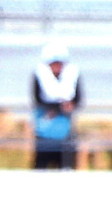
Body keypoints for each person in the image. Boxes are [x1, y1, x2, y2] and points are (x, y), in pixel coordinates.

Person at [31, 42, 83, 170]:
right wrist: (57, 108)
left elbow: (78, 98)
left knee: (65, 163)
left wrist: (66, 107)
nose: (57, 67)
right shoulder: (39, 74)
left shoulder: (73, 74)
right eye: (54, 64)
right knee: (42, 162)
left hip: (65, 128)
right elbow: (37, 98)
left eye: (60, 63)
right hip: (45, 128)